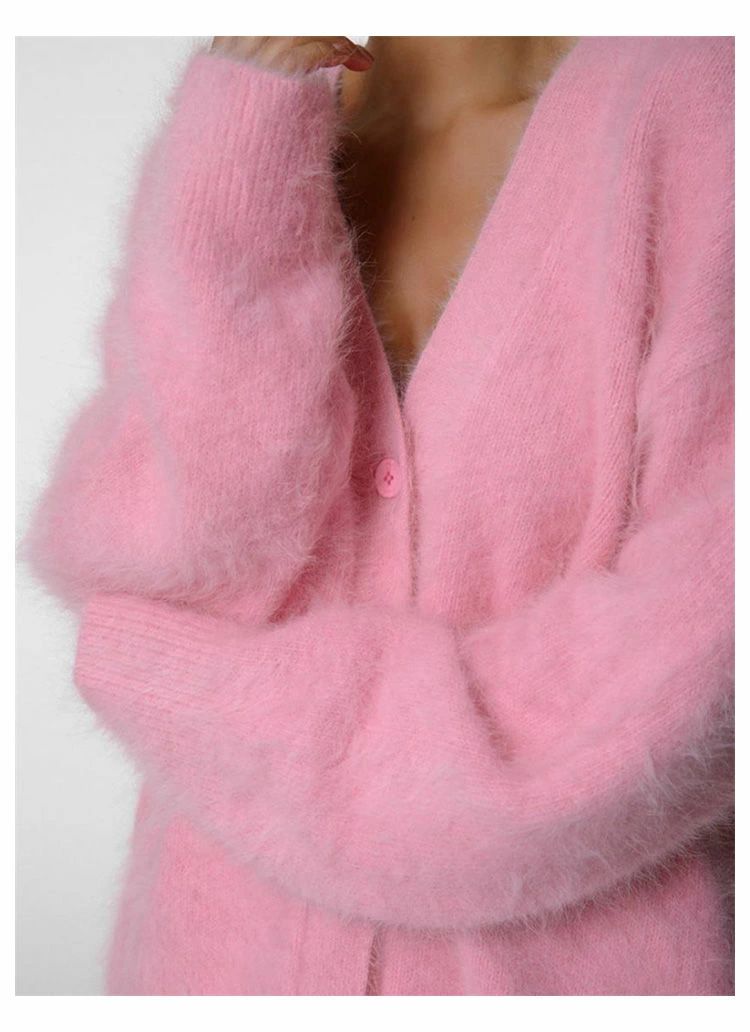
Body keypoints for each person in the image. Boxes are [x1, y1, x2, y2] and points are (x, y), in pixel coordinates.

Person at [24, 35, 734, 996]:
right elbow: (161, 558)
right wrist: (237, 163)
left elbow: (698, 652)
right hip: (214, 968)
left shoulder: (700, 106)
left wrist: (218, 703)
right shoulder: (257, 120)